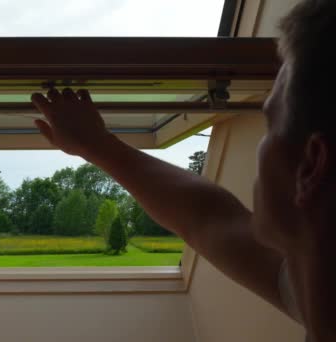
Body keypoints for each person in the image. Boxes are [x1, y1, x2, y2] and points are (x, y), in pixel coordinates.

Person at [31, 1, 335, 340]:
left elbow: (207, 218)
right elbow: (206, 217)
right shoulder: (315, 286)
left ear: (310, 167)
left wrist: (97, 145)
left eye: (270, 123)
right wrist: (97, 144)